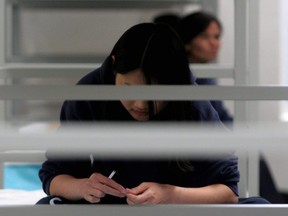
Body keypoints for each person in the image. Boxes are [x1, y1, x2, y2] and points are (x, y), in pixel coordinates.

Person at [36, 23, 268, 205]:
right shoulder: (89, 94)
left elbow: (228, 192)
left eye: (155, 94)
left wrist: (171, 195)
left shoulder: (192, 103)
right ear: (114, 66)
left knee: (261, 207)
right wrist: (81, 187)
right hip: (107, 206)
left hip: (179, 208)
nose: (141, 105)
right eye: (128, 89)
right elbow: (54, 175)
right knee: (48, 206)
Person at [177, 11, 233, 123]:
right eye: (204, 36)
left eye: (216, 37)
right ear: (187, 42)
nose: (214, 43)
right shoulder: (182, 74)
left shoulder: (207, 73)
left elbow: (222, 115)